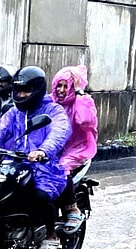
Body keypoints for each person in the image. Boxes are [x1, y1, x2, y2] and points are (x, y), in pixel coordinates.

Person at [0, 66, 71, 249]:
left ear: (37, 90)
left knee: (40, 195)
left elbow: (60, 131)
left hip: (43, 165)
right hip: (15, 163)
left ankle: (51, 236)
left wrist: (43, 150)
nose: (22, 94)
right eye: (18, 90)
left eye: (26, 90)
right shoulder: (13, 113)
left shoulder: (53, 110)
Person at [51, 65, 99, 234]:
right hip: (52, 146)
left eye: (66, 86)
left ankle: (72, 209)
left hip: (76, 147)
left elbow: (85, 121)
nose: (62, 90)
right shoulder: (50, 101)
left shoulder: (84, 101)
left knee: (60, 168)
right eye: (59, 85)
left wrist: (78, 93)